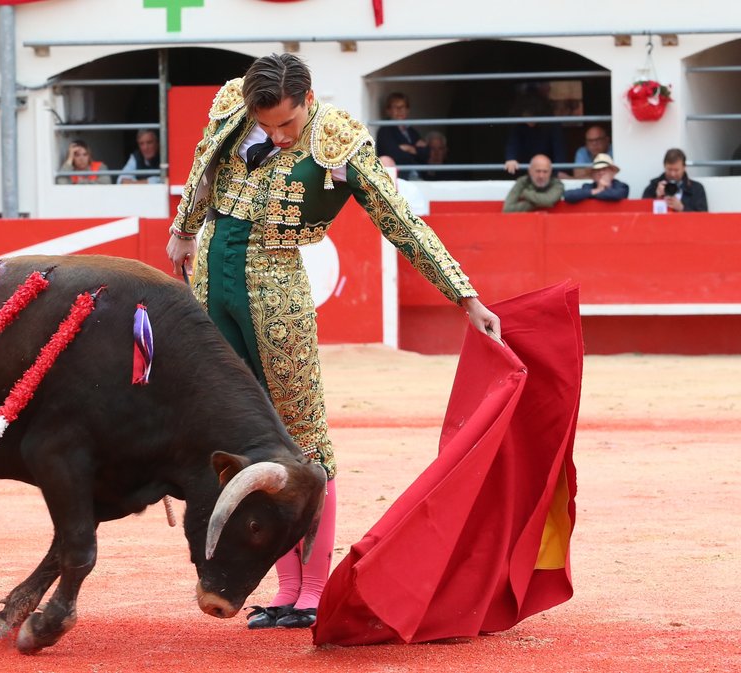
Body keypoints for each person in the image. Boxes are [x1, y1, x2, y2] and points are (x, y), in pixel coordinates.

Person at [166, 53, 500, 631]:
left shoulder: (337, 139)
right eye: (265, 124)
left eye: (286, 126)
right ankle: (285, 586)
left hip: (275, 287)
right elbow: (204, 167)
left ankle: (314, 589)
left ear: (309, 97)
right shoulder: (232, 103)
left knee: (303, 440)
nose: (274, 134)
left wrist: (464, 295)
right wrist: (183, 231)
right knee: (238, 435)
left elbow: (400, 220)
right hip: (209, 281)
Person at [503, 92, 565, 175]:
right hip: (526, 167)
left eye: (533, 117)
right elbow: (513, 143)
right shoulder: (519, 126)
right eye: (526, 117)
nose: (529, 121)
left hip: (547, 168)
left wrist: (559, 171)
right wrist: (511, 158)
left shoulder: (552, 125)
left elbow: (559, 149)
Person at [374, 92, 429, 178]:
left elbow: (426, 153)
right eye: (395, 107)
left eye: (403, 107)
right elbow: (393, 155)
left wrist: (408, 148)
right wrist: (415, 150)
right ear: (388, 111)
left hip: (418, 175)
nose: (400, 110)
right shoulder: (385, 130)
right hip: (399, 178)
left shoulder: (411, 131)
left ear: (408, 110)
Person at [641, 148, 709, 212]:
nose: (672, 174)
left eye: (676, 170)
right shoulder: (654, 186)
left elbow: (703, 217)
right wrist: (656, 196)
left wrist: (682, 208)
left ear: (684, 167)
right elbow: (641, 212)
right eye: (669, 169)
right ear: (664, 166)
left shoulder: (697, 188)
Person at [564, 153, 628, 204]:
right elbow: (568, 195)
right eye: (597, 170)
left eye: (604, 169)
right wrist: (596, 190)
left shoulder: (622, 186)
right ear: (592, 176)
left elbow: (616, 195)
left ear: (612, 173)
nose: (601, 173)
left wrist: (601, 190)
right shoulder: (588, 187)